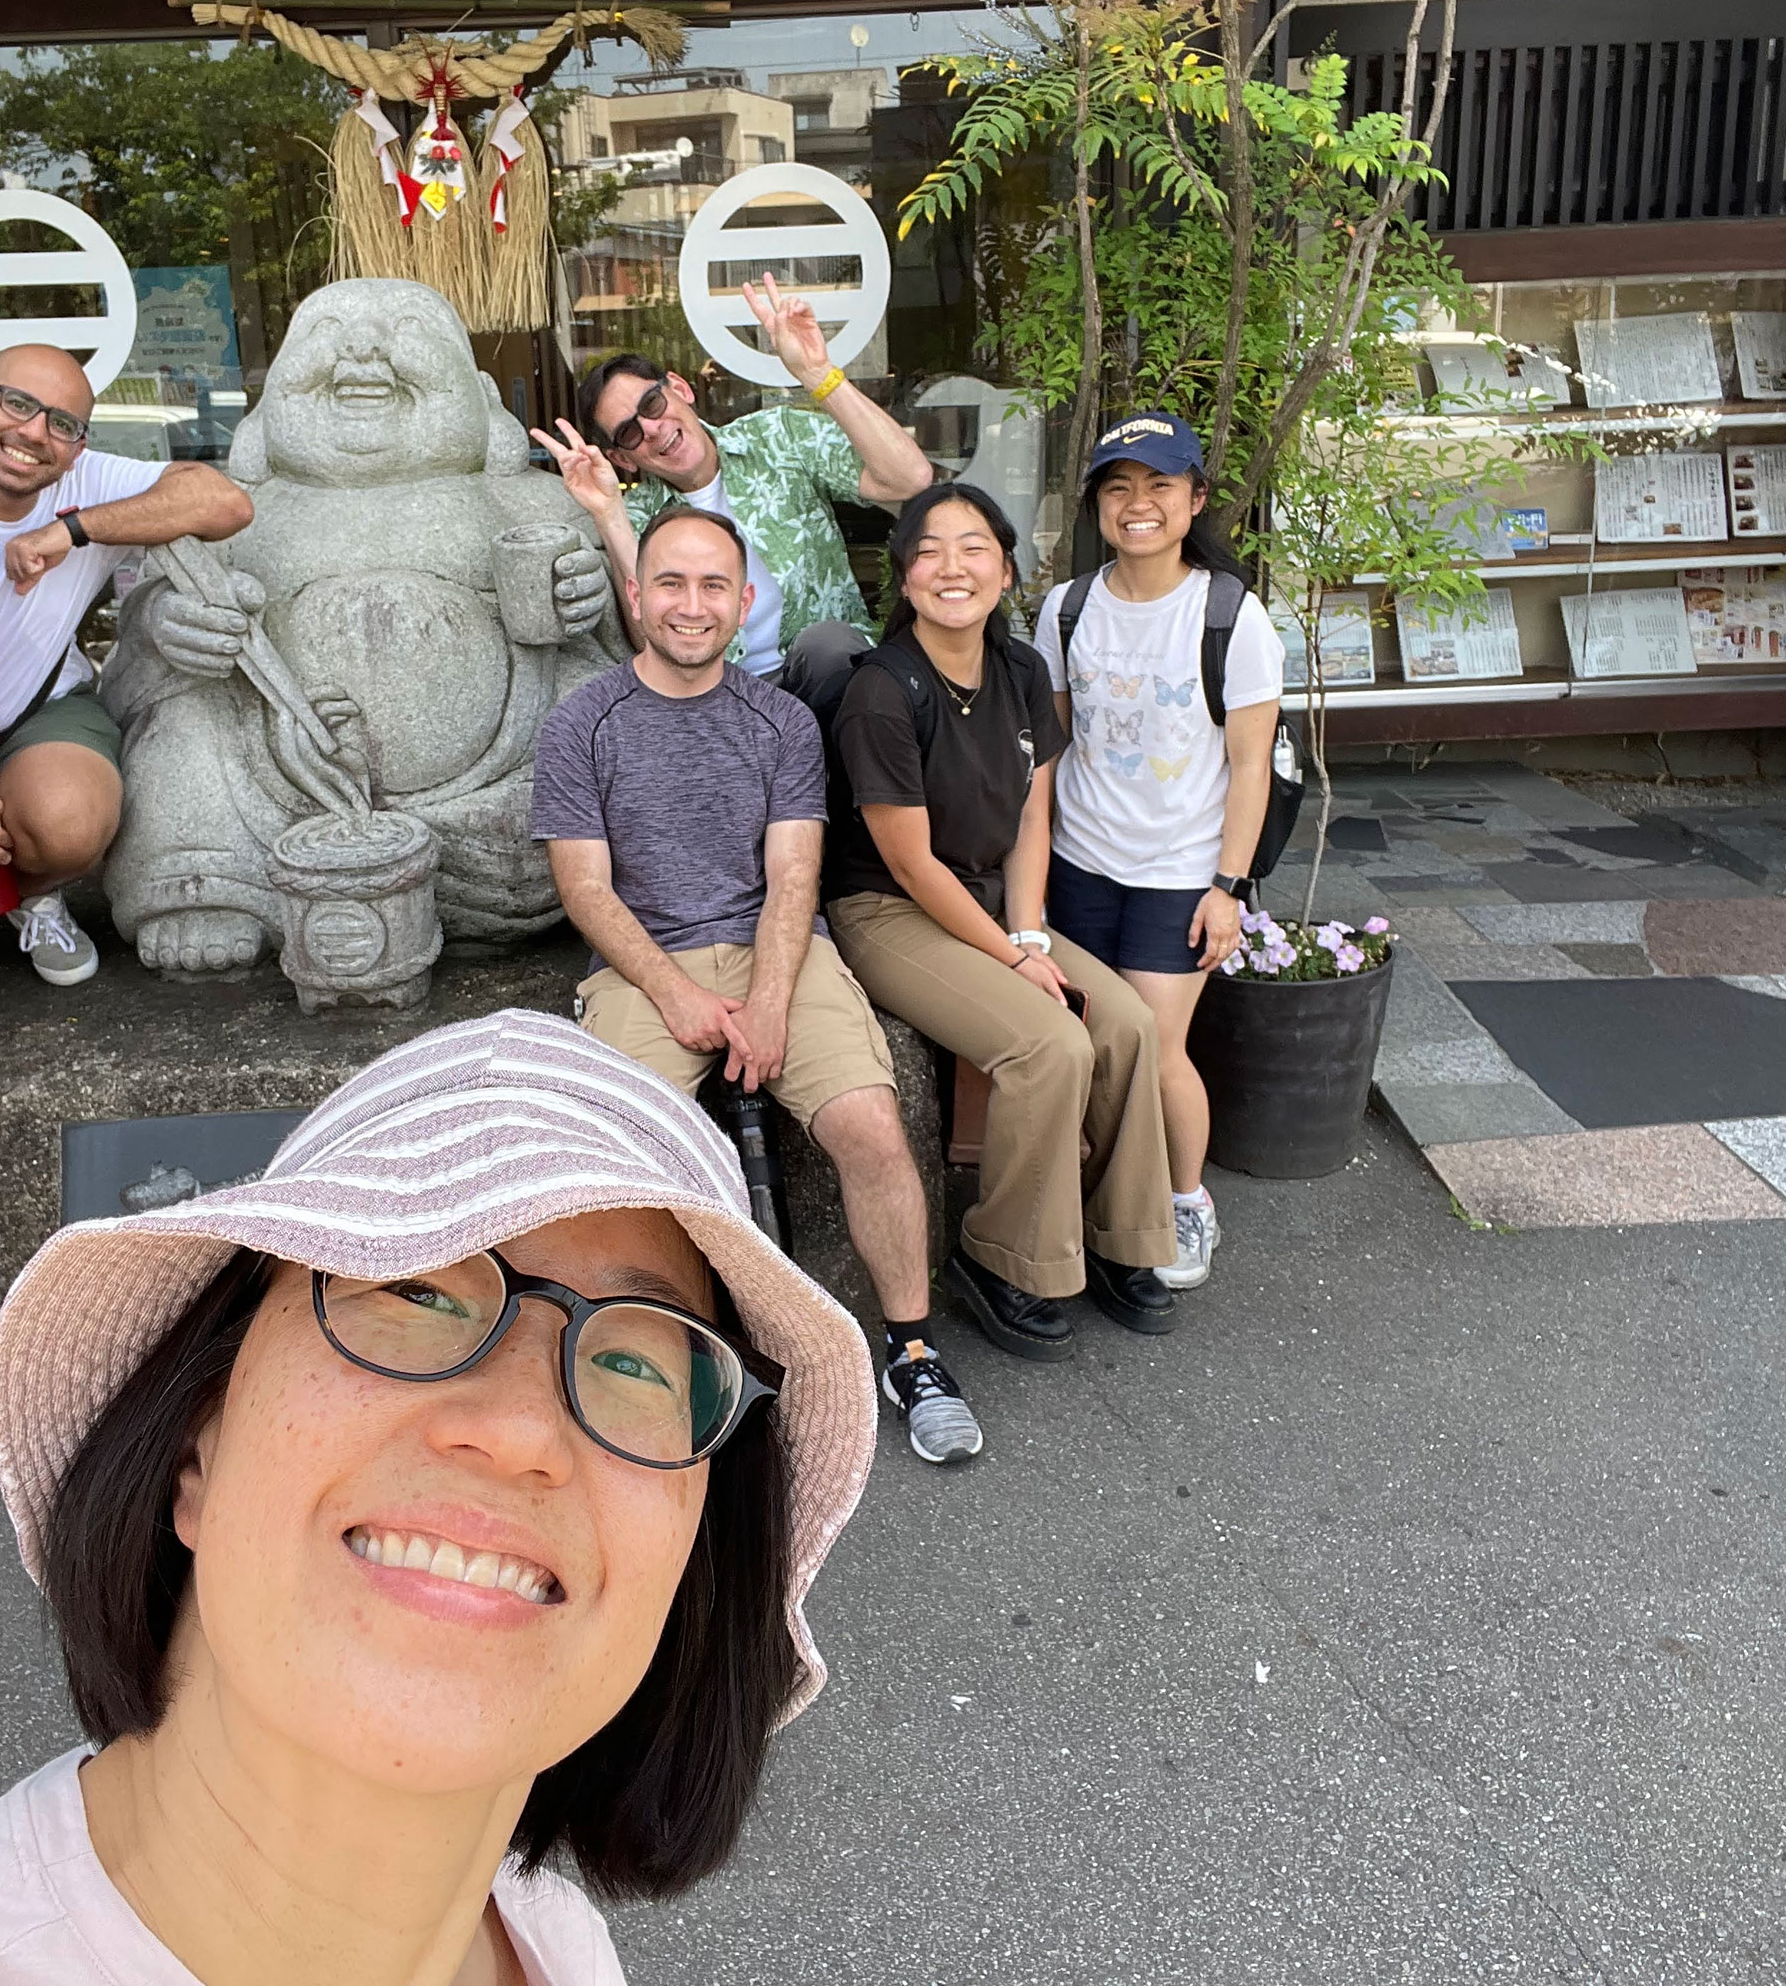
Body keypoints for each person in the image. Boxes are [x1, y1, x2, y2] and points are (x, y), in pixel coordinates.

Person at [0, 1010, 877, 1986]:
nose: (524, 1430)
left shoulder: (556, 1945)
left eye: (644, 1362)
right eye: (412, 1291)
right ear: (195, 1437)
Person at [532, 503, 978, 1467]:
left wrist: (770, 1001)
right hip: (644, 964)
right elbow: (586, 888)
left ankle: (912, 1350)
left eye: (712, 587)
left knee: (870, 1127)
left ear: (742, 603)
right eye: (671, 584)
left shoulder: (780, 721)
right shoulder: (581, 723)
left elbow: (792, 878)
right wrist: (679, 998)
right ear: (636, 594)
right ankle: (635, 1356)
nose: (691, 606)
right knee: (620, 1160)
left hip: (779, 951)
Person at [822, 482, 1178, 1362]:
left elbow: (1031, 818)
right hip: (890, 909)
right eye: (931, 550)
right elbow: (908, 862)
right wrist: (1017, 964)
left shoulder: (1021, 670)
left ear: (1006, 568)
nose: (954, 567)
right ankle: (1003, 1256)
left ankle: (1121, 1237)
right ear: (904, 578)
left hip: (992, 904)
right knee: (1046, 1043)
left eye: (975, 547)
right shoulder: (881, 690)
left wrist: (1028, 938)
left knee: (1128, 1025)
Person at [0, 343, 254, 988]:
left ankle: (31, 890)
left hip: (35, 709)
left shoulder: (82, 483)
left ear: (78, 445)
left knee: (71, 824)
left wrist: (71, 531)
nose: (34, 433)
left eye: (62, 422)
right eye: (18, 403)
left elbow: (224, 503)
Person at [1037, 416, 1282, 1292]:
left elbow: (1251, 765)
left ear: (1195, 500)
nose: (1138, 506)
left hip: (1178, 876)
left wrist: (1228, 887)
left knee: (1158, 1049)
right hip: (1079, 865)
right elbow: (1052, 745)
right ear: (1098, 504)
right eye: (1119, 489)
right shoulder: (1066, 608)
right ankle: (1104, 1197)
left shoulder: (1229, 614)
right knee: (1090, 1045)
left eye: (1159, 487)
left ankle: (1184, 1199)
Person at [538, 273, 933, 682]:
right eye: (630, 433)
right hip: (727, 700)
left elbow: (909, 478)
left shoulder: (777, 437)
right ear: (624, 458)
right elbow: (653, 645)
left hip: (832, 679)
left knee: (827, 645)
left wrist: (817, 374)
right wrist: (607, 513)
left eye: (652, 403)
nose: (652, 429)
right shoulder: (637, 517)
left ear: (680, 388)